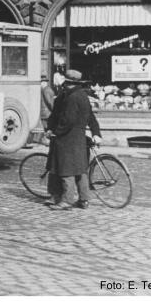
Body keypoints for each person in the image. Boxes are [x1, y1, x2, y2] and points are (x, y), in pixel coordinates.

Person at [45, 69, 98, 210]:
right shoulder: (83, 96)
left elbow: (67, 119)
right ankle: (83, 200)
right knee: (80, 170)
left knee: (65, 169)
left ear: (69, 83)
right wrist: (96, 133)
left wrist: (56, 132)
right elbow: (91, 117)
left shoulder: (71, 98)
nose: (64, 86)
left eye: (66, 83)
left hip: (67, 138)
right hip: (79, 138)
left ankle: (66, 201)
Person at [39, 74, 56, 146]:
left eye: (40, 83)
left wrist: (53, 110)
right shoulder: (47, 89)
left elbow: (49, 102)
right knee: (45, 127)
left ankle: (45, 141)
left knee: (43, 128)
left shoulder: (45, 90)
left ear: (44, 83)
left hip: (45, 112)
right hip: (47, 112)